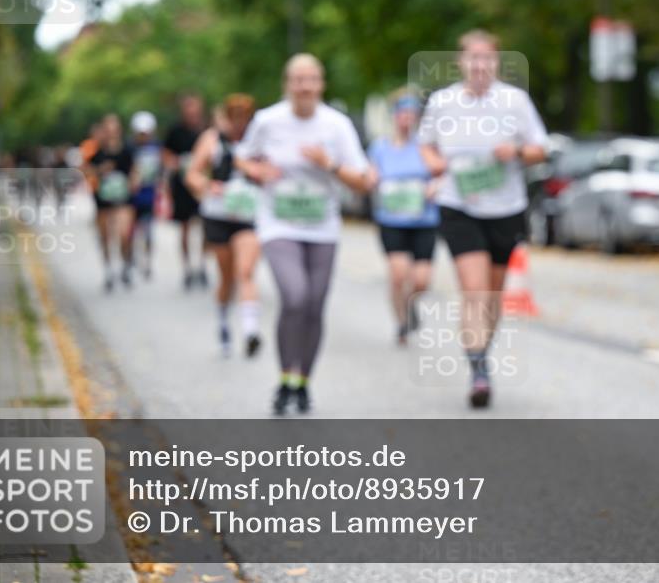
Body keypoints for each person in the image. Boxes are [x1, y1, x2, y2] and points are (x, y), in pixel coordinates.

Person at [234, 53, 371, 415]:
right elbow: (243, 157)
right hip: (278, 223)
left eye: (311, 79)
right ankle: (284, 378)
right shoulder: (268, 120)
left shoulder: (336, 125)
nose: (305, 86)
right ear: (287, 84)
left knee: (314, 305)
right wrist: (257, 172)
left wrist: (328, 164)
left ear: (321, 84)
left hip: (323, 227)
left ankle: (302, 383)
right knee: (295, 296)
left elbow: (361, 180)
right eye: (298, 80)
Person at [418, 30, 548, 408]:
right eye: (472, 58)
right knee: (473, 290)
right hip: (458, 205)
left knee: (492, 294)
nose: (479, 65)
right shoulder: (442, 102)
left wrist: (517, 151)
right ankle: (478, 369)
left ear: (496, 62)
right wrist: (436, 164)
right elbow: (425, 146)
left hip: (505, 208)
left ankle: (481, 352)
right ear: (460, 62)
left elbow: (540, 149)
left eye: (487, 58)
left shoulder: (515, 101)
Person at [186, 95, 263, 358]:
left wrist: (252, 169)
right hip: (218, 215)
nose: (240, 123)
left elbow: (271, 172)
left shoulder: (259, 140)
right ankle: (223, 322)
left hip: (248, 216)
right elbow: (192, 174)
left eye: (245, 117)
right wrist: (209, 185)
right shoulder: (212, 140)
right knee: (227, 278)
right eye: (235, 117)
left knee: (246, 272)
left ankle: (251, 330)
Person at [366, 90, 440, 345]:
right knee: (398, 276)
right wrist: (372, 179)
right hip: (392, 220)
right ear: (395, 116)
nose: (406, 118)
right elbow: (370, 173)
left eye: (411, 114)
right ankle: (401, 323)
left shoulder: (426, 146)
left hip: (423, 220)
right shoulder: (380, 147)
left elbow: (441, 173)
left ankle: (411, 304)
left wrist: (435, 186)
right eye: (402, 113)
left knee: (421, 281)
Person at [84, 114, 136, 292]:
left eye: (115, 129)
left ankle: (126, 264)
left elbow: (135, 170)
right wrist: (100, 170)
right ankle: (108, 269)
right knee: (105, 236)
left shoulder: (127, 149)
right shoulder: (96, 150)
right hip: (103, 199)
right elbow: (86, 170)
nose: (112, 133)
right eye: (108, 129)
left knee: (124, 233)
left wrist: (133, 182)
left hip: (123, 198)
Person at [163, 93, 208, 290]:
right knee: (185, 227)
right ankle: (187, 268)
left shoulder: (206, 130)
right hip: (182, 186)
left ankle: (203, 265)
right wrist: (176, 163)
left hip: (203, 185)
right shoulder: (175, 131)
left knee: (205, 226)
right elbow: (166, 154)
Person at [128, 111, 161, 280]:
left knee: (148, 231)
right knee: (130, 231)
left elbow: (162, 170)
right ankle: (129, 258)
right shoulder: (129, 147)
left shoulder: (157, 147)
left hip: (149, 195)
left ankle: (147, 262)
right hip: (131, 196)